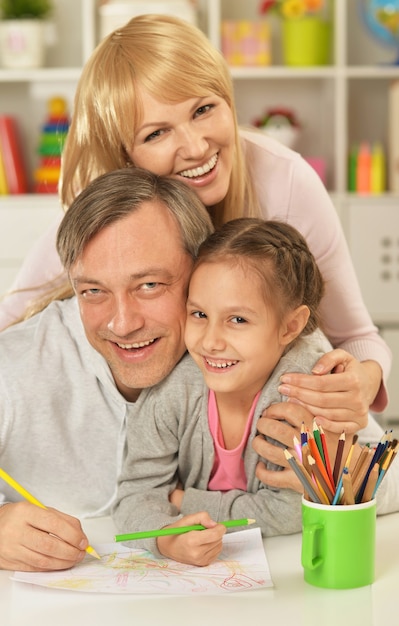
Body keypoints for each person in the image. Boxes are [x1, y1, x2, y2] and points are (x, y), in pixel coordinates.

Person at [0, 15, 390, 430]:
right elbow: (13, 326)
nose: (195, 146)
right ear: (125, 155)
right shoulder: (106, 213)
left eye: (204, 109)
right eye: (156, 134)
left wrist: (362, 381)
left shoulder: (285, 182)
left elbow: (356, 336)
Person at [114, 218, 399, 567]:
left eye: (238, 320)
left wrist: (185, 501)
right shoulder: (172, 391)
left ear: (290, 326)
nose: (210, 342)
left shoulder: (303, 393)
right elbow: (134, 495)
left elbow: (289, 511)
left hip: (290, 567)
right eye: (200, 314)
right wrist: (164, 538)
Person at [0, 167, 214, 572]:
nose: (122, 323)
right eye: (94, 291)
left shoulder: (254, 341)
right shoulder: (13, 368)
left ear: (200, 273)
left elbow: (371, 478)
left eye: (149, 285)